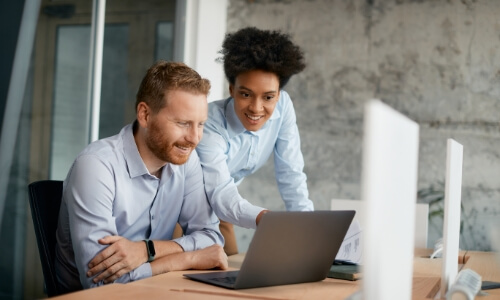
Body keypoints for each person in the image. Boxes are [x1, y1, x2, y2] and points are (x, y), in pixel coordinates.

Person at [55, 61, 228, 293]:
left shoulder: (186, 159)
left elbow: (211, 238)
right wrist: (185, 259)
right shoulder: (95, 166)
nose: (195, 138)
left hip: (156, 292)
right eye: (183, 123)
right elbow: (100, 282)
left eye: (201, 125)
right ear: (145, 114)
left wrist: (146, 250)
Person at [195, 27, 314, 255]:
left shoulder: (284, 107)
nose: (257, 108)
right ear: (232, 89)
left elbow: (291, 173)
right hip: (184, 211)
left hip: (225, 209)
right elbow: (219, 192)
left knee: (231, 274)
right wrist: (264, 219)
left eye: (268, 97)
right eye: (246, 94)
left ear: (278, 94)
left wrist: (308, 227)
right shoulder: (209, 124)